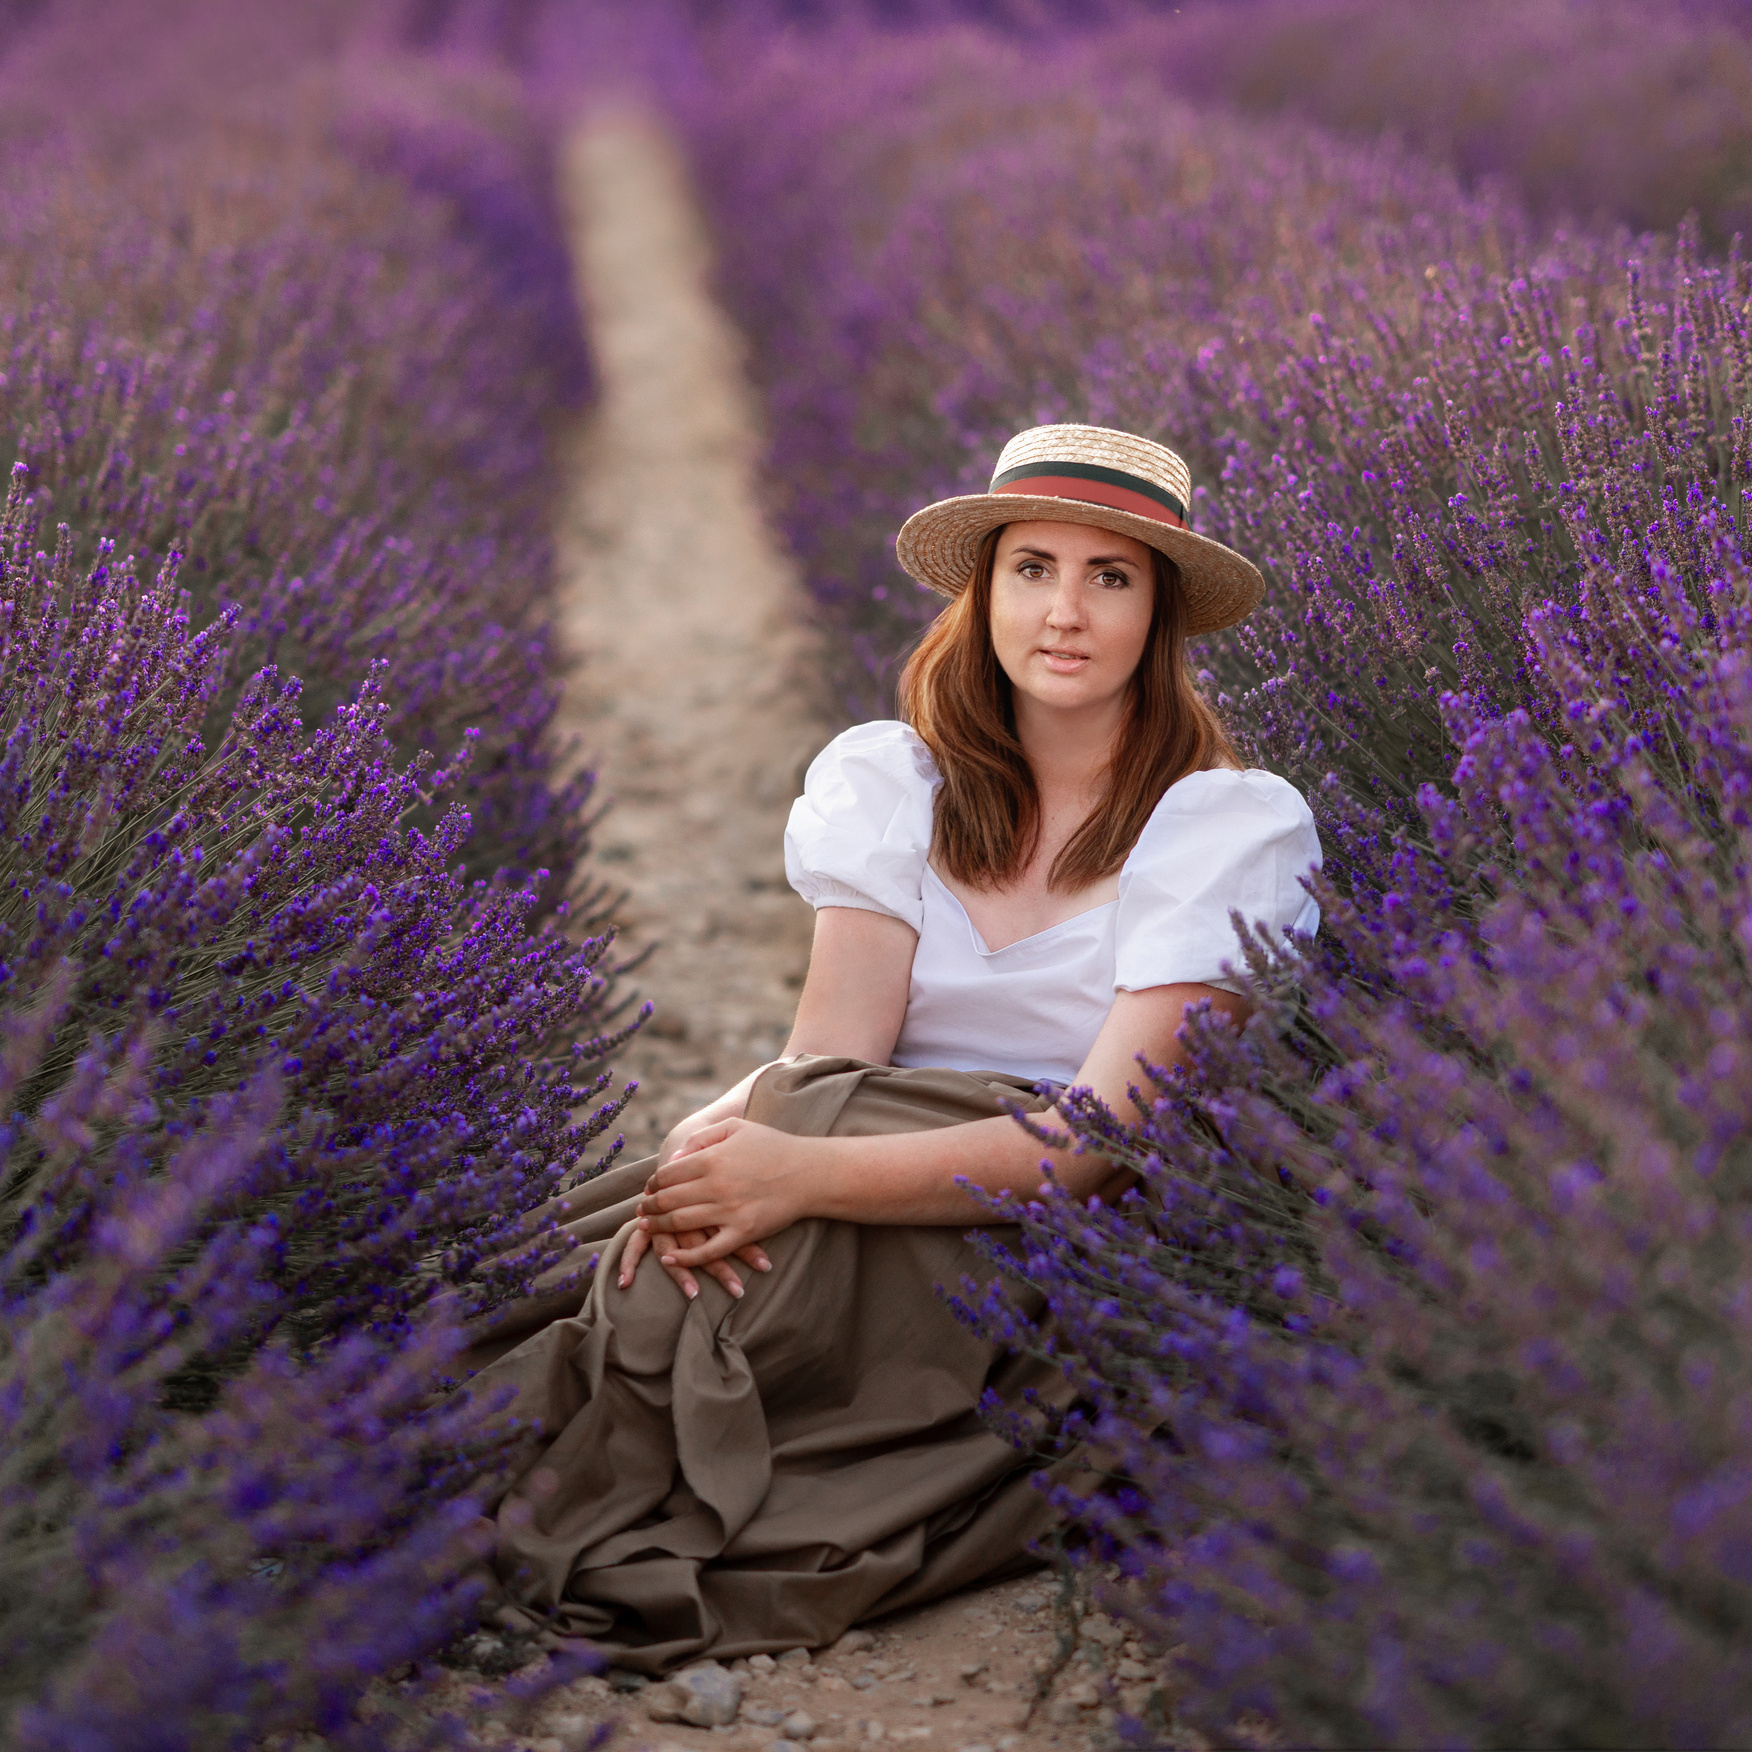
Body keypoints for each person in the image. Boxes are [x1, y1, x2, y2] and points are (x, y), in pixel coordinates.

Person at [464, 423, 1321, 1671]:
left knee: (710, 1264)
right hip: (865, 1159)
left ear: (1160, 616)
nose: (1065, 612)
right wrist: (729, 1132)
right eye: (1032, 569)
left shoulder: (1223, 828)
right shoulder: (898, 784)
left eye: (1111, 577)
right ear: (984, 594)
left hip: (1037, 1230)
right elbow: (829, 1061)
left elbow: (1092, 1146)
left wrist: (794, 1170)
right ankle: (507, 1469)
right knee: (665, 1238)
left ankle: (584, 1482)